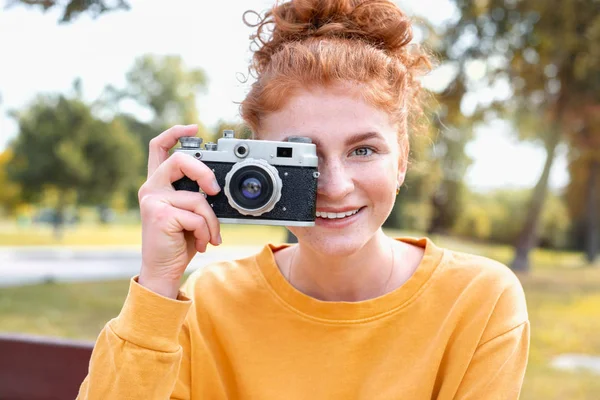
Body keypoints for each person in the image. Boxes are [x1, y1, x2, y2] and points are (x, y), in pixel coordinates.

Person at [77, 0, 529, 398]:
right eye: (303, 156)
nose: (334, 185)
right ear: (257, 162)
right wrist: (156, 283)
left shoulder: (478, 301)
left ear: (403, 158)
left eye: (363, 150)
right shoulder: (207, 302)